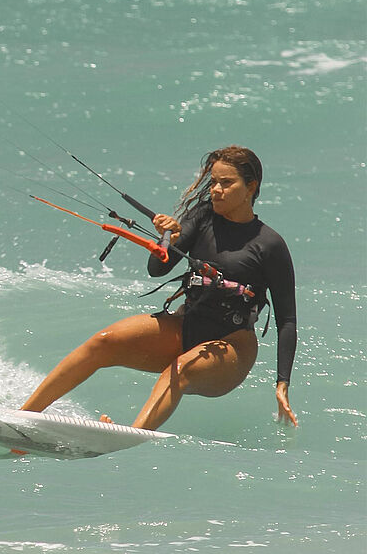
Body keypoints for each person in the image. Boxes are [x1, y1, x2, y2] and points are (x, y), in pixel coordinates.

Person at [20, 145, 298, 430]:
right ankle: (22, 418)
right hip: (185, 326)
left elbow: (286, 321)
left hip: (231, 347)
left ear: (250, 186)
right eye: (213, 182)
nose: (216, 190)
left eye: (226, 183)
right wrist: (170, 239)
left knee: (177, 372)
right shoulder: (203, 218)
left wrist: (282, 384)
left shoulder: (269, 244)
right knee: (104, 341)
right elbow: (157, 270)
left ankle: (130, 436)